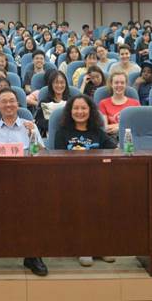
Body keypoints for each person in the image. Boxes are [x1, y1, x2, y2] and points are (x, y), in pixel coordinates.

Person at [0, 88, 48, 277]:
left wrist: (33, 136)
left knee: (34, 206)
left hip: (25, 178)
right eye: (4, 101)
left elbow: (42, 153)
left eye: (12, 101)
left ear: (18, 104)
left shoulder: (29, 126)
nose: (8, 104)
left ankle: (32, 255)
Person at [53, 94, 116, 267]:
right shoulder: (62, 133)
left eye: (83, 108)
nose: (79, 112)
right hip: (71, 181)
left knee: (103, 199)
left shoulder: (98, 133)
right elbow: (59, 161)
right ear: (70, 111)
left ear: (90, 111)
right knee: (82, 202)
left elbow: (114, 150)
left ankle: (101, 246)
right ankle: (84, 247)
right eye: (76, 108)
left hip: (97, 179)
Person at [98, 71, 140, 141]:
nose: (119, 85)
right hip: (111, 139)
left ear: (126, 85)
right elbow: (105, 127)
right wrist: (127, 126)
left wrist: (119, 128)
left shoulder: (135, 103)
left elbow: (137, 125)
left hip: (131, 139)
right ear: (111, 84)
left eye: (122, 83)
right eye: (116, 83)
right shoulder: (103, 103)